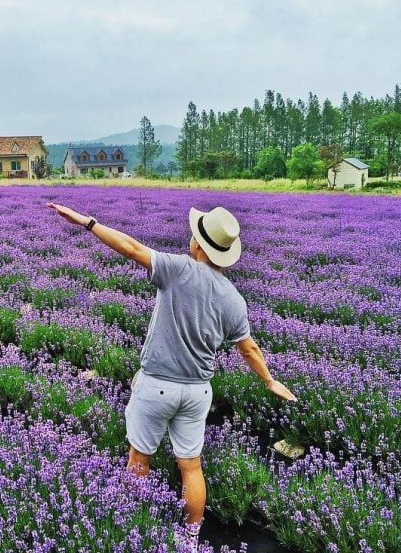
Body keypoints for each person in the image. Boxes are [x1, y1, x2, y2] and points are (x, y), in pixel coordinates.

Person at [46, 202, 297, 551]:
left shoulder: (178, 270)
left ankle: (135, 523)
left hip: (157, 386)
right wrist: (270, 381)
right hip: (197, 393)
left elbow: (131, 248)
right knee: (191, 468)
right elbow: (249, 350)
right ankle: (191, 538)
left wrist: (87, 222)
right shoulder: (234, 300)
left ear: (198, 245)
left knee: (140, 458)